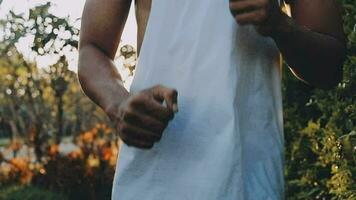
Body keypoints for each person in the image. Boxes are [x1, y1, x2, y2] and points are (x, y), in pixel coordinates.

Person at [78, 0, 346, 199]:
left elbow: (330, 67)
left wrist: (280, 25)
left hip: (245, 179)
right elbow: (92, 47)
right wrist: (119, 103)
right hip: (151, 177)